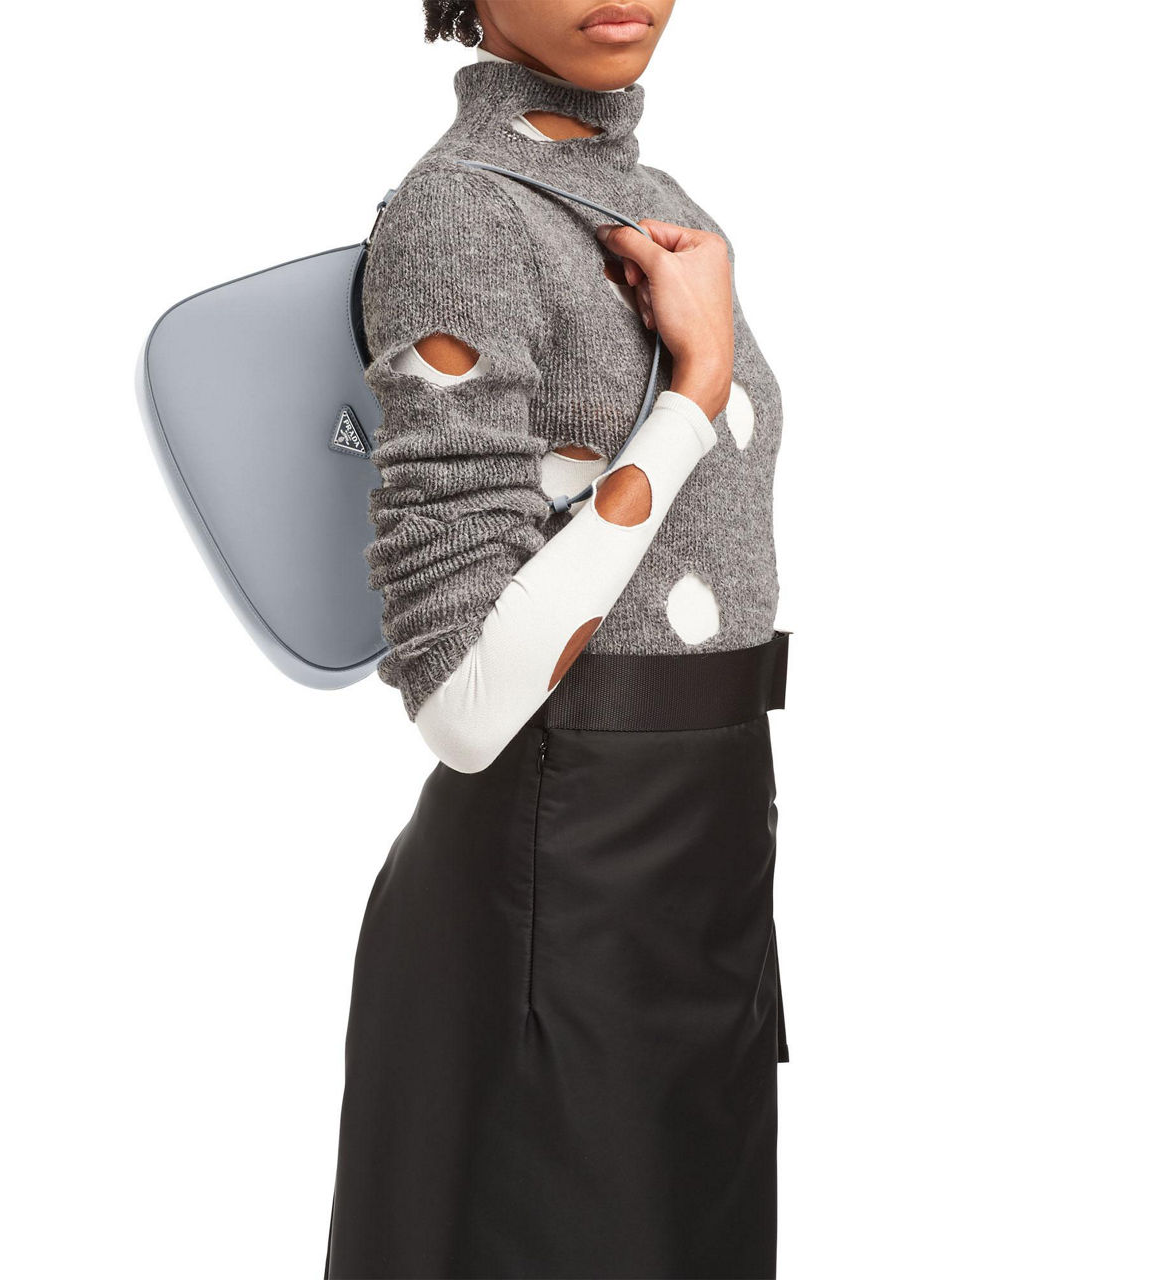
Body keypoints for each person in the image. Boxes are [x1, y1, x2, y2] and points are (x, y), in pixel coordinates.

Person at [325, 2, 790, 1276]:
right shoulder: (461, 215)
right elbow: (461, 703)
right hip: (555, 880)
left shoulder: (657, 202)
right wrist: (691, 392)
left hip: (703, 868)